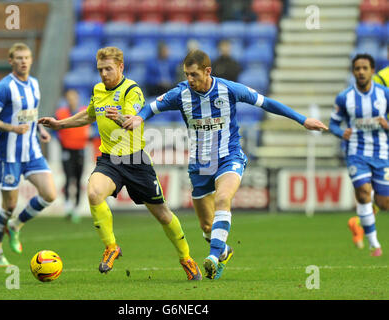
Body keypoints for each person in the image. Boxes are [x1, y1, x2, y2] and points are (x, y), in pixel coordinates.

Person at [107, 49, 328, 279]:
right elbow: (153, 107)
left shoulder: (229, 89)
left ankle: (212, 257)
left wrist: (303, 120)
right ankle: (223, 252)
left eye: (194, 75)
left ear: (207, 71)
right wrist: (139, 118)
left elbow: (266, 103)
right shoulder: (180, 94)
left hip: (229, 157)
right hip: (200, 165)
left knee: (223, 199)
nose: (189, 80)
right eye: (186, 75)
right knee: (206, 226)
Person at [38, 47, 202, 280]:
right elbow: (89, 115)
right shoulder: (98, 89)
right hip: (110, 160)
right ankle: (111, 247)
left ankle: (186, 258)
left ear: (121, 67)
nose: (103, 74)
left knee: (164, 215)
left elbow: (135, 120)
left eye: (108, 69)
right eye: (100, 70)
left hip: (135, 161)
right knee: (94, 192)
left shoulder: (131, 91)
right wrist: (60, 124)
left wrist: (121, 118)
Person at [0, 42, 57, 267]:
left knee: (50, 194)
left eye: (26, 57)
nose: (23, 61)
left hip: (32, 151)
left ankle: (16, 225)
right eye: (19, 58)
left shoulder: (34, 83)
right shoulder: (4, 87)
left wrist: (41, 130)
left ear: (31, 60)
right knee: (9, 205)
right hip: (10, 154)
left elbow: (30, 115)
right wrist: (12, 128)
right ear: (11, 61)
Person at [330, 54, 389, 257]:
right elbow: (333, 124)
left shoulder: (385, 94)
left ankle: (361, 222)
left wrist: (387, 125)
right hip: (356, 152)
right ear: (353, 72)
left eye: (365, 68)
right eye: (357, 68)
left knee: (383, 203)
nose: (361, 72)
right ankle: (374, 244)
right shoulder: (344, 97)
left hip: (382, 152)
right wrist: (341, 133)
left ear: (372, 70)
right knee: (363, 193)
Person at [55, 89, 89, 223]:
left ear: (78, 99)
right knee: (69, 178)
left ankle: (76, 208)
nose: (72, 100)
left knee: (79, 179)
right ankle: (68, 205)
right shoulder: (61, 113)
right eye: (69, 98)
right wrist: (60, 140)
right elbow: (54, 130)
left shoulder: (84, 111)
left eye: (74, 98)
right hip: (67, 150)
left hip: (80, 150)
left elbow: (93, 128)